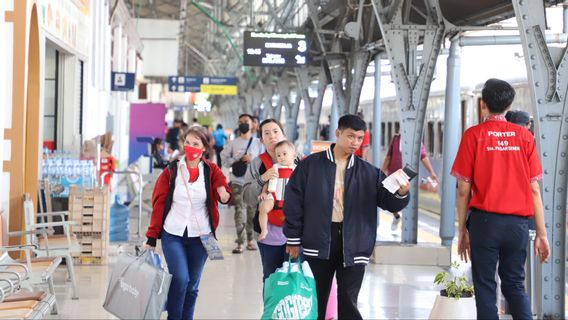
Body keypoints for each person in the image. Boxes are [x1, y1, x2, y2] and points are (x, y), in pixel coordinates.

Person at [283, 114, 410, 319]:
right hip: (319, 239)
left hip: (355, 242)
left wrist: (402, 193)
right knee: (315, 300)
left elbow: (389, 202)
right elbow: (293, 202)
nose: (355, 143)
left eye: (360, 138)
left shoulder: (369, 172)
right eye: (351, 136)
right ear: (338, 133)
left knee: (349, 301)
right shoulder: (310, 166)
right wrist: (294, 238)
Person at [451, 78, 550, 319]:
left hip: (485, 224)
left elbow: (463, 188)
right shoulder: (524, 137)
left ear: (482, 104)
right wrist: (542, 233)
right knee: (515, 284)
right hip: (517, 225)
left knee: (485, 286)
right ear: (509, 105)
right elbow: (534, 189)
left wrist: (463, 229)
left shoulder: (473, 135)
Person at [144, 127, 232, 320]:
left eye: (196, 144)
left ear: (204, 148)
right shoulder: (171, 170)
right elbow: (159, 203)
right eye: (188, 142)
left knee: (192, 284)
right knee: (180, 279)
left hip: (202, 237)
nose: (190, 147)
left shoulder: (211, 170)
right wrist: (151, 236)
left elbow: (223, 188)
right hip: (173, 233)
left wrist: (224, 195)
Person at [242, 119, 296, 282]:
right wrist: (262, 179)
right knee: (271, 278)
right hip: (269, 235)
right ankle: (271, 308)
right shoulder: (258, 163)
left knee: (294, 277)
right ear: (261, 140)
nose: (272, 136)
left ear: (283, 134)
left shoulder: (298, 160)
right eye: (266, 133)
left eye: (276, 131)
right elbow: (247, 197)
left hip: (295, 234)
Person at [221, 114, 263, 253]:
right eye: (240, 122)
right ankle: (241, 242)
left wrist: (253, 160)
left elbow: (265, 162)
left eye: (246, 121)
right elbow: (225, 161)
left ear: (253, 124)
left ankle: (250, 239)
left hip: (254, 183)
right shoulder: (233, 143)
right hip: (237, 181)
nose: (243, 124)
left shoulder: (258, 143)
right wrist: (236, 158)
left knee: (252, 212)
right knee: (240, 210)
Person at [382, 133, 438, 231]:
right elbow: (389, 156)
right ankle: (396, 216)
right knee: (390, 197)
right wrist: (382, 173)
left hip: (408, 176)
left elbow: (423, 156)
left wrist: (432, 172)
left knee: (403, 197)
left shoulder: (415, 139)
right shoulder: (395, 138)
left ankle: (405, 224)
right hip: (394, 174)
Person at [257, 140, 296, 241]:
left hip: (291, 199)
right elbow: (267, 182)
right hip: (273, 196)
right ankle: (264, 229)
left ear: (293, 155)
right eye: (278, 155)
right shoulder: (275, 168)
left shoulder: (297, 169)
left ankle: (295, 233)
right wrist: (264, 192)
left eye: (284, 154)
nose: (281, 157)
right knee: (263, 208)